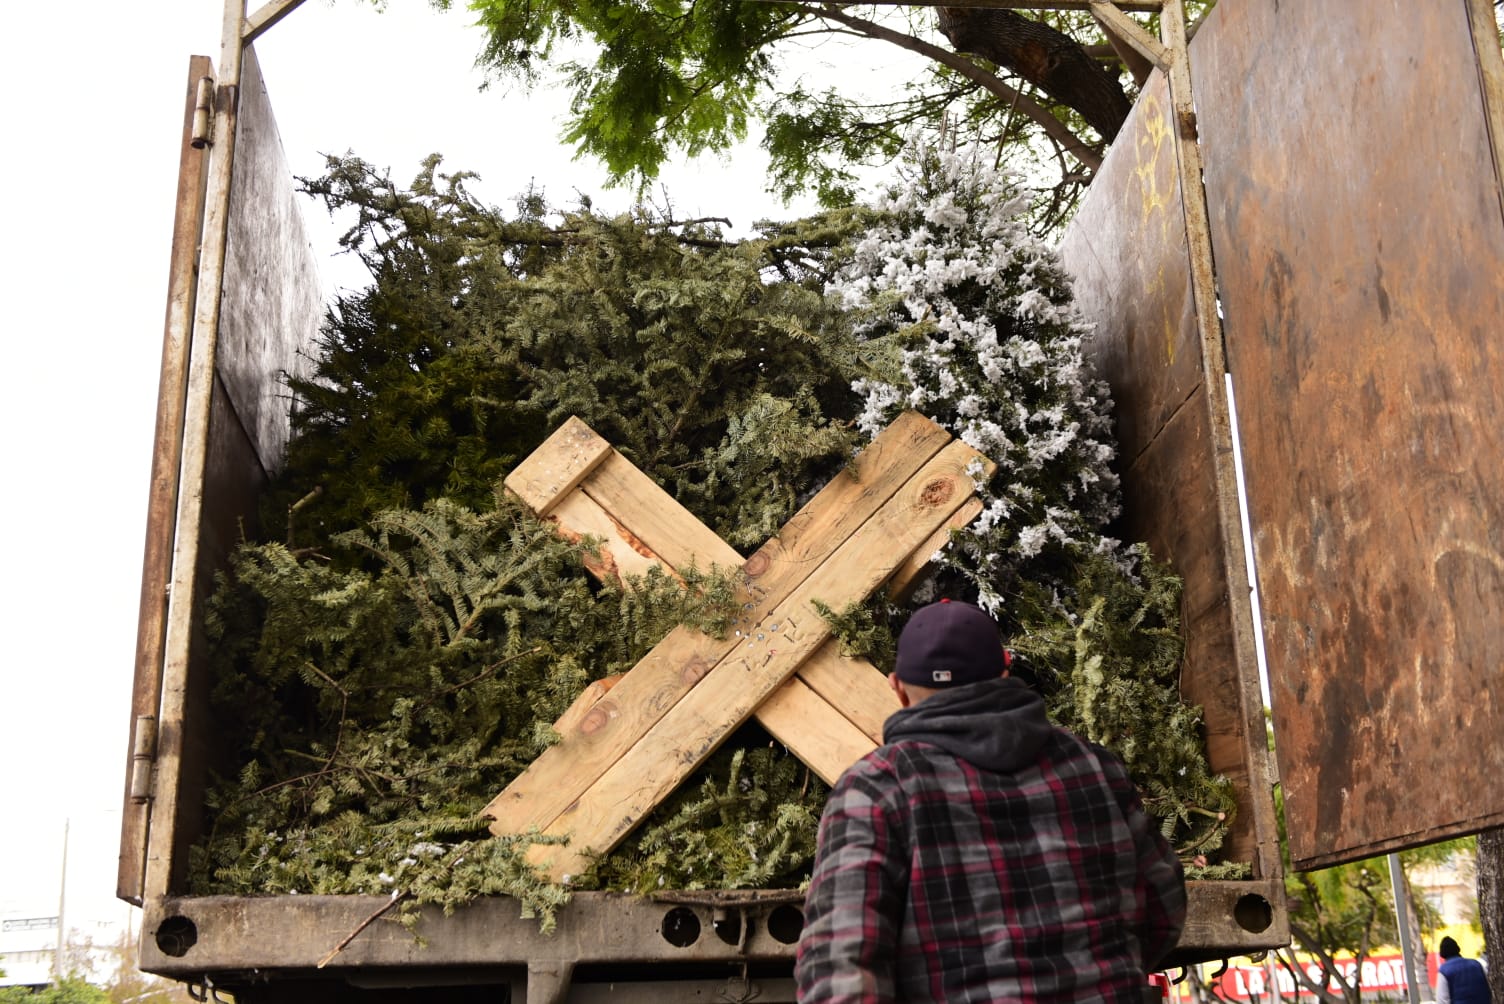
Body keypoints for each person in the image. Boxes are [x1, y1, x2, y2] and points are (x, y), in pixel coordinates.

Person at [795, 599, 1187, 1003]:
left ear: (898, 690)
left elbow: (839, 968)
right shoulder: (1094, 767)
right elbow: (1165, 907)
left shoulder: (878, 787)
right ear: (1004, 669)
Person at [1436, 936, 1492, 1004]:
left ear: (1442, 954)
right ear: (1458, 949)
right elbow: (1487, 988)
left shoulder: (1444, 971)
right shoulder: (1476, 964)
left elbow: (1442, 1000)